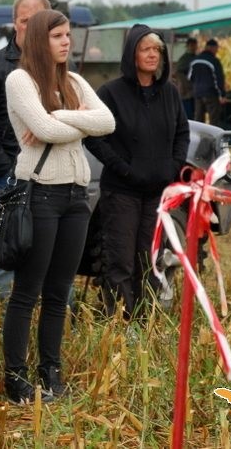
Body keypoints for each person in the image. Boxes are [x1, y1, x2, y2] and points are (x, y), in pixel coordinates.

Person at [2, 9, 115, 403]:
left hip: (76, 196)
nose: (66, 41)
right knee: (27, 291)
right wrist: (78, 120)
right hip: (41, 194)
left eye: (68, 35)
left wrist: (61, 114)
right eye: (57, 36)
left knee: (59, 292)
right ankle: (16, 378)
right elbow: (44, 130)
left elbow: (107, 122)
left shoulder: (75, 82)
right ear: (39, 39)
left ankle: (50, 372)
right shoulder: (20, 80)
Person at [85, 25, 189, 320]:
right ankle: (120, 324)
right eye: (146, 49)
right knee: (120, 261)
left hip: (157, 192)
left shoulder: (169, 93)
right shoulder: (111, 93)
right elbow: (93, 137)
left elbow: (182, 133)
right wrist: (123, 169)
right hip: (122, 192)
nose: (153, 55)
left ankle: (145, 322)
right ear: (132, 54)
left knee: (150, 259)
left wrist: (173, 166)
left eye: (157, 50)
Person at [0, 0, 51, 299]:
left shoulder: (58, 67)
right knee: (7, 251)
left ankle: (56, 317)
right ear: (15, 23)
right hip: (11, 177)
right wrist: (5, 167)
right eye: (24, 20)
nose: (30, 27)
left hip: (52, 177)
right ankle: (2, 316)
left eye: (37, 21)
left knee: (50, 253)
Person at [189, 38, 226, 126]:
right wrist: (222, 95)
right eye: (216, 48)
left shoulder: (194, 60)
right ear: (212, 48)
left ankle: (199, 135)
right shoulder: (214, 61)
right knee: (214, 119)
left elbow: (190, 77)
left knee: (198, 119)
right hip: (211, 94)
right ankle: (213, 135)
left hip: (198, 93)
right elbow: (218, 79)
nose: (217, 51)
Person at [173, 37, 198, 120]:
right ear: (187, 46)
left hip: (194, 92)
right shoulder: (184, 58)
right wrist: (187, 85)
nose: (193, 47)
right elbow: (178, 73)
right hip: (186, 92)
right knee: (188, 116)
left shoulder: (196, 57)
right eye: (191, 45)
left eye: (195, 45)